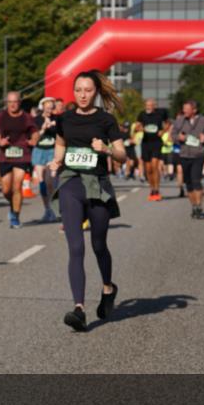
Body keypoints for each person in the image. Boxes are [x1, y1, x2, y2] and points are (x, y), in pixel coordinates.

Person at [48, 70, 125, 332]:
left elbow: (123, 156)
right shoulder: (64, 119)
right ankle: (79, 309)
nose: (83, 95)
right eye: (78, 90)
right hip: (71, 182)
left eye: (88, 90)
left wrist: (107, 150)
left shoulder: (106, 120)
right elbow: (60, 144)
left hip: (98, 185)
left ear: (96, 92)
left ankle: (108, 287)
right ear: (74, 91)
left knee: (98, 244)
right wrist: (57, 160)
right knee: (75, 247)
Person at [0, 91, 39, 229]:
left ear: (19, 102)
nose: (12, 105)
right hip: (5, 155)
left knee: (17, 186)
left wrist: (34, 140)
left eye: (15, 101)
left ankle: (16, 216)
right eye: (9, 102)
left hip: (22, 154)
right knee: (6, 190)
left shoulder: (26, 117)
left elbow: (35, 132)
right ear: (6, 103)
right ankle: (12, 206)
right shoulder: (1, 116)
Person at [171, 100, 204, 219]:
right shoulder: (180, 120)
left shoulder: (203, 120)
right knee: (188, 183)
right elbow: (172, 135)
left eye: (187, 109)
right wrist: (178, 137)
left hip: (198, 154)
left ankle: (199, 206)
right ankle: (194, 206)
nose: (184, 111)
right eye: (183, 109)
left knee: (196, 180)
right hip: (184, 154)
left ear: (194, 110)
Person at [32, 97, 59, 222]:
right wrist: (43, 128)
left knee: (50, 181)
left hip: (52, 151)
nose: (49, 110)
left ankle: (54, 208)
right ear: (42, 107)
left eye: (51, 107)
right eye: (47, 107)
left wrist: (54, 126)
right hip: (39, 151)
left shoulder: (57, 119)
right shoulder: (36, 120)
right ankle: (47, 209)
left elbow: (60, 136)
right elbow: (34, 138)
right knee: (42, 182)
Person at [137, 98, 167, 200]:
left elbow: (168, 124)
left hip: (156, 143)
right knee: (148, 169)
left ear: (154, 106)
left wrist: (163, 131)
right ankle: (152, 189)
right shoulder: (142, 114)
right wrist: (139, 128)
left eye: (150, 105)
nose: (148, 107)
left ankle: (157, 189)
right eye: (147, 105)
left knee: (155, 166)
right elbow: (137, 126)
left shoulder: (160, 114)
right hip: (146, 143)